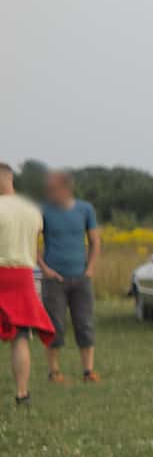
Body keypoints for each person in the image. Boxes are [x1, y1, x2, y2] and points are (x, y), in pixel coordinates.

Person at [0, 163, 56, 406]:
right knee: (21, 335)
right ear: (11, 177)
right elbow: (36, 242)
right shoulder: (32, 210)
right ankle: (22, 394)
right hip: (23, 274)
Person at [37, 169, 100, 384]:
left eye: (53, 188)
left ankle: (88, 371)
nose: (48, 192)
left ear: (65, 188)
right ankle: (54, 372)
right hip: (54, 279)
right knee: (54, 324)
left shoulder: (85, 210)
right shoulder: (43, 210)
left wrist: (90, 268)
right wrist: (44, 268)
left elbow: (95, 241)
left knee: (85, 323)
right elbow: (31, 240)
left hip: (81, 277)